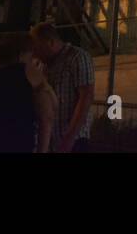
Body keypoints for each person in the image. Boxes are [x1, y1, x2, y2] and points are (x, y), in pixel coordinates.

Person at [30, 22, 93, 152]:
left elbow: (86, 97)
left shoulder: (77, 58)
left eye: (38, 49)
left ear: (50, 42)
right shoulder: (42, 64)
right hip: (51, 139)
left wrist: (69, 138)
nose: (35, 54)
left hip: (73, 141)